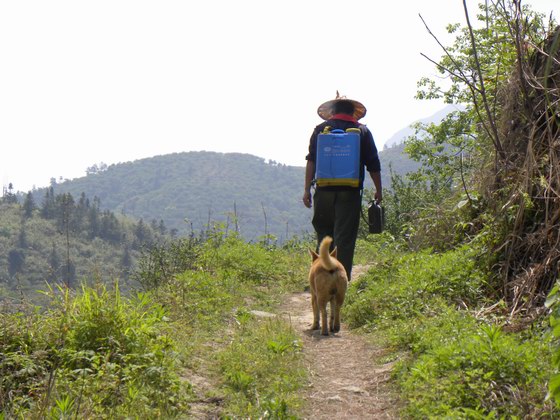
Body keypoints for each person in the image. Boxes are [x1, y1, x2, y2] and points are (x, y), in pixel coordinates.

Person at [303, 94, 382, 281]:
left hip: (323, 191)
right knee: (344, 238)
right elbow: (373, 164)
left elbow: (311, 161)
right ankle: (340, 279)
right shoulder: (361, 131)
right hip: (350, 191)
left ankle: (319, 277)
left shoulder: (321, 130)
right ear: (353, 112)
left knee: (324, 235)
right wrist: (379, 190)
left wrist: (306, 189)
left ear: (332, 111)